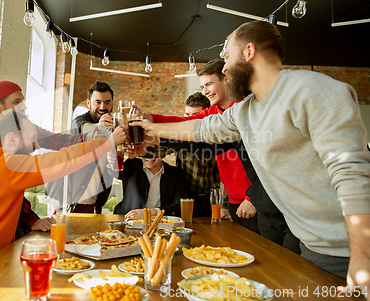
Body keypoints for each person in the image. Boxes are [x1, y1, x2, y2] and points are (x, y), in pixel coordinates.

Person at [134, 21, 370, 294]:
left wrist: (362, 258)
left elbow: (352, 174)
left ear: (248, 52)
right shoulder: (245, 110)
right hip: (313, 247)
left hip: (353, 251)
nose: (223, 68)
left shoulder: (312, 90)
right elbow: (203, 129)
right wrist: (152, 129)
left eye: (226, 57)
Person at [0, 110, 126, 283]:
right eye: (33, 139)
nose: (36, 146)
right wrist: (107, 143)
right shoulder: (7, 166)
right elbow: (60, 161)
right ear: (12, 139)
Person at [144, 60, 260, 234]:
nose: (205, 91)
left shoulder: (247, 108)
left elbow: (267, 160)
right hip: (231, 201)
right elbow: (182, 124)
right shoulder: (212, 113)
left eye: (209, 84)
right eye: (202, 86)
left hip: (252, 200)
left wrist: (253, 197)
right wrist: (148, 118)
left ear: (226, 80)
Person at [0, 80, 90, 236]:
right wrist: (30, 221)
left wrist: (98, 136)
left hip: (17, 217)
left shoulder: (25, 128)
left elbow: (61, 140)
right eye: (17, 102)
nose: (23, 106)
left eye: (22, 101)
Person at [47, 81, 115, 213]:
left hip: (94, 202)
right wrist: (101, 126)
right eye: (98, 102)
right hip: (67, 199)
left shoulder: (113, 126)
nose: (103, 106)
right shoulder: (79, 121)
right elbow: (82, 129)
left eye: (107, 102)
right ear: (89, 103)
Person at [106, 146, 187, 217]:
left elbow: (181, 205)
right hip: (126, 218)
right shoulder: (132, 165)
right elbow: (116, 173)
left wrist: (154, 212)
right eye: (145, 152)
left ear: (163, 155)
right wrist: (113, 161)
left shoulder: (174, 174)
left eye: (155, 152)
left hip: (159, 222)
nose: (149, 156)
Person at [176, 92, 220, 217]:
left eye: (194, 115)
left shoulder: (218, 136)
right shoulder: (180, 137)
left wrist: (225, 204)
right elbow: (157, 151)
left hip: (213, 199)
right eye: (187, 115)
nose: (189, 119)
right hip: (187, 197)